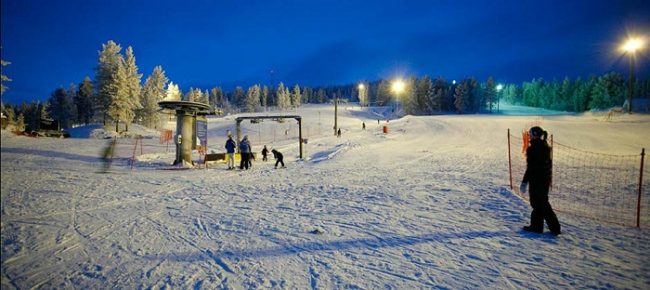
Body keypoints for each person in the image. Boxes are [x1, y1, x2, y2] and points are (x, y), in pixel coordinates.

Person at [520, 126, 561, 236]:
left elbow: (531, 167)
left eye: (530, 134)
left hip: (536, 179)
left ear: (534, 134)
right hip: (544, 179)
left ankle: (554, 227)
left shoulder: (533, 148)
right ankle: (537, 226)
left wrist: (524, 182)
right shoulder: (545, 146)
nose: (529, 136)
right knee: (540, 203)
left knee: (540, 203)